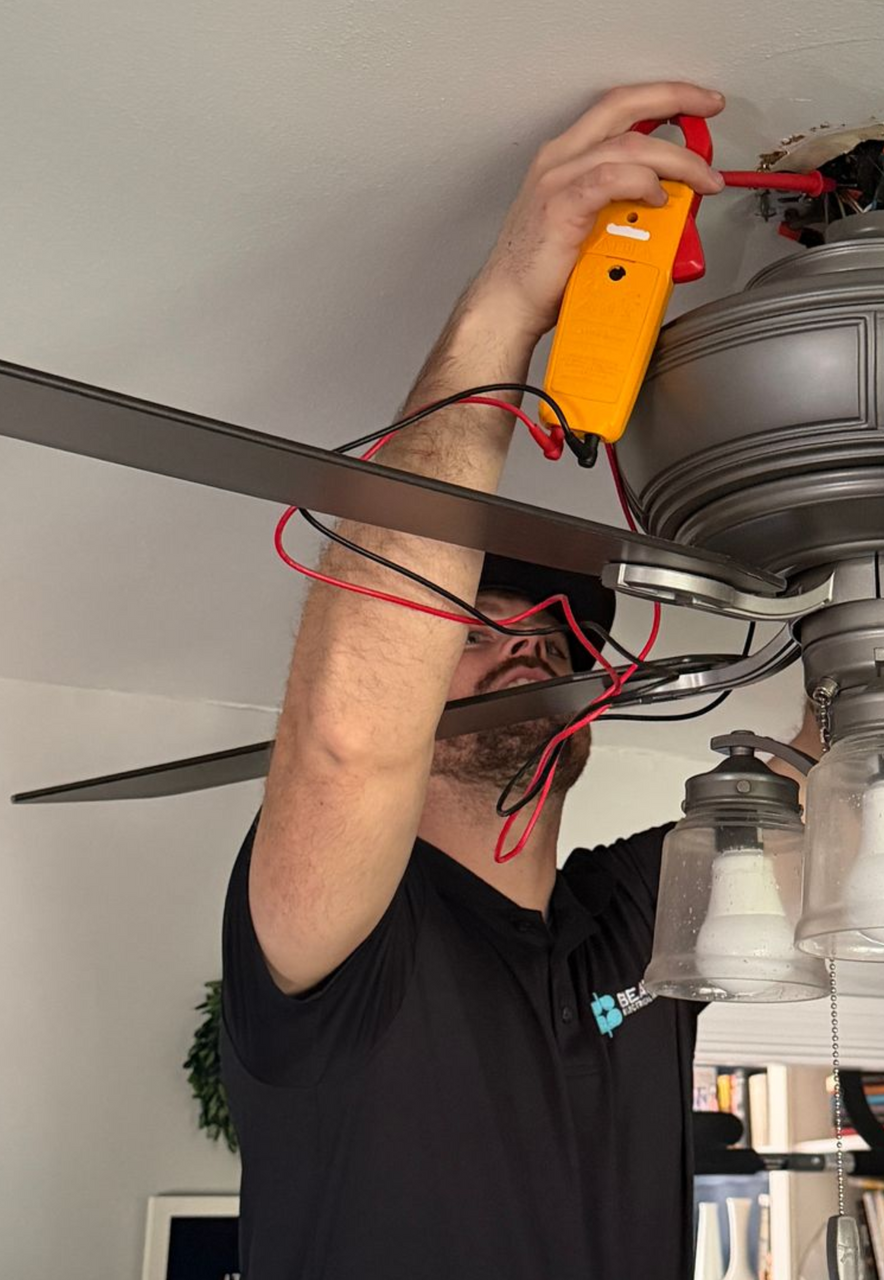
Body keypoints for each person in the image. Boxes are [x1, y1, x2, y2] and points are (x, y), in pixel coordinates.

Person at [220, 81, 753, 1280]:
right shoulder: (348, 936)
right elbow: (353, 741)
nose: (528, 645)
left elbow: (841, 783)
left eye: (560, 641)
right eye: (476, 625)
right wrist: (509, 302)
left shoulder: (634, 919)